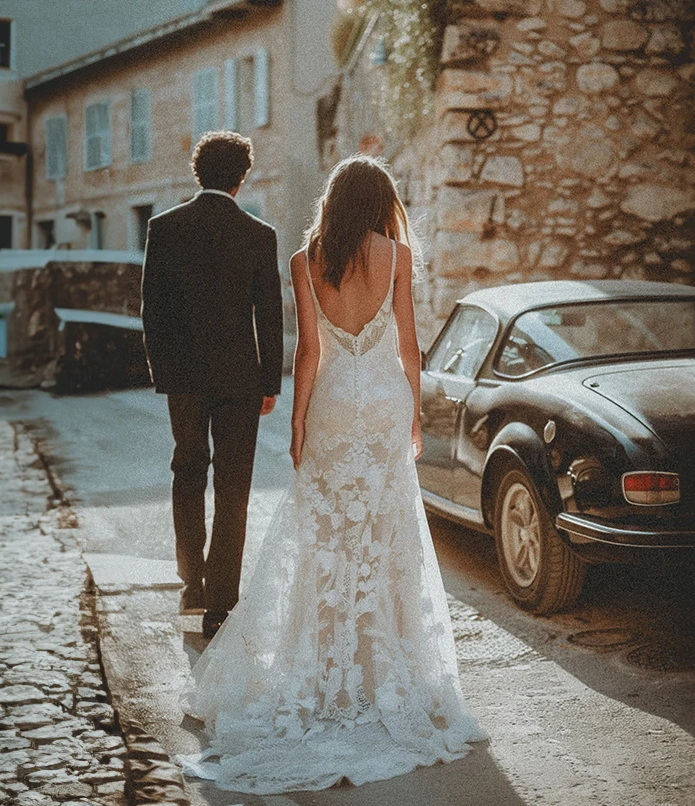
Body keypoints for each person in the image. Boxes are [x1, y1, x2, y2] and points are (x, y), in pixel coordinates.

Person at [177, 155, 486, 793]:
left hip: (333, 406)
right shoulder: (395, 256)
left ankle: (325, 671)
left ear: (332, 201)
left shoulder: (304, 259)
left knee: (324, 539)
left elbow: (308, 351)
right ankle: (380, 672)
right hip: (382, 404)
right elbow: (408, 342)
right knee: (384, 533)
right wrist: (416, 413)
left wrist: (297, 422)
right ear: (378, 202)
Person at [140, 131, 283, 638]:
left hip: (183, 380)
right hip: (242, 381)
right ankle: (221, 602)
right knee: (234, 486)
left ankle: (191, 586)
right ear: (242, 177)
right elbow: (269, 315)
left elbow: (151, 312)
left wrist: (164, 374)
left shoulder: (163, 227)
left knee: (187, 472)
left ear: (197, 174)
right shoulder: (259, 234)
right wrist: (271, 382)